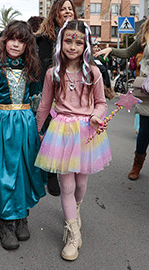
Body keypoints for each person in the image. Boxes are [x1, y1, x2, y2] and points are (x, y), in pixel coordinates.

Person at [35, 20, 111, 261]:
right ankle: (73, 233)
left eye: (79, 42)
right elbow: (45, 105)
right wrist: (38, 131)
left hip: (87, 131)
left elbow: (101, 103)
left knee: (80, 184)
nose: (73, 46)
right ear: (61, 42)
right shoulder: (52, 73)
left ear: (85, 45)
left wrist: (98, 118)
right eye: (68, 40)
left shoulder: (94, 72)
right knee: (66, 186)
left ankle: (76, 207)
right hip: (60, 132)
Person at [0, 20, 46, 250]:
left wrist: (40, 130)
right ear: (5, 40)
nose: (16, 44)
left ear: (27, 45)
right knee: (4, 173)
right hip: (2, 126)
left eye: (22, 41)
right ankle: (5, 222)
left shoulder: (32, 69)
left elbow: (37, 101)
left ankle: (22, 215)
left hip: (25, 127)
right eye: (12, 38)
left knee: (25, 171)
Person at [94, 18, 149, 181]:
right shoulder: (146, 33)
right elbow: (128, 52)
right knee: (145, 131)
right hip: (147, 89)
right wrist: (111, 49)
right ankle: (137, 165)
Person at [36, 0, 78, 196]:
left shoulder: (80, 33)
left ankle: (67, 170)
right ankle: (51, 172)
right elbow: (40, 64)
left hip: (74, 90)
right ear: (56, 12)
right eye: (63, 9)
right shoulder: (45, 37)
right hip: (52, 87)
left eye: (70, 9)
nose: (67, 11)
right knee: (52, 131)